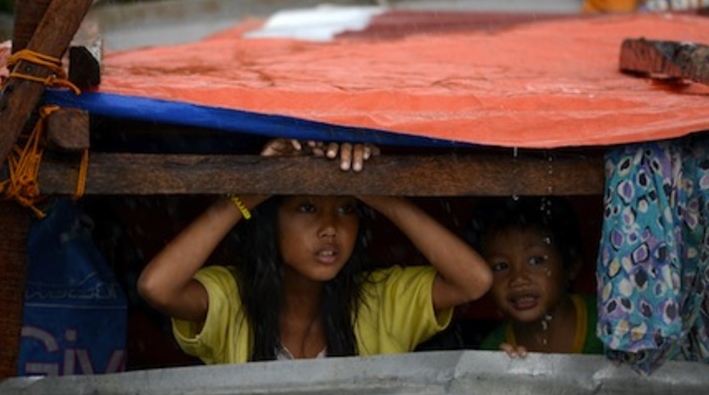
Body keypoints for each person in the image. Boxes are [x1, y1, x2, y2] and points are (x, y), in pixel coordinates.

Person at [137, 138, 492, 364]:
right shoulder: (233, 297)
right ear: (270, 222)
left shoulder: (382, 298)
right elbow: (157, 287)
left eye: (346, 208)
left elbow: (474, 281)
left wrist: (374, 187)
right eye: (307, 208)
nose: (330, 228)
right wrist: (251, 190)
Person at [473, 196, 603, 358]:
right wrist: (503, 373)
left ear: (571, 266)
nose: (518, 279)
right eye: (501, 266)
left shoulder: (607, 323)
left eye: (535, 261)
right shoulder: (495, 349)